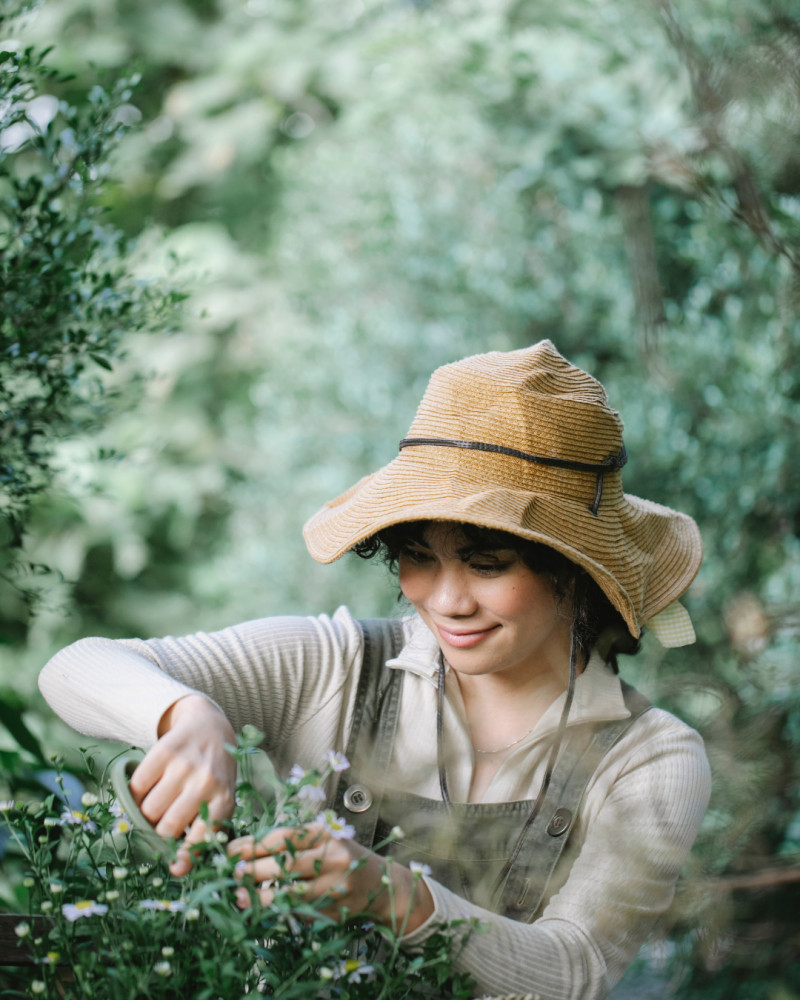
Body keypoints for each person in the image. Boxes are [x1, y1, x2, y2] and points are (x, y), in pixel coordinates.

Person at [38, 341, 711, 1000]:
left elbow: (576, 970)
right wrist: (188, 715)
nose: (446, 601)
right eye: (419, 557)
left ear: (576, 568)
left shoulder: (650, 757)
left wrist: (392, 895)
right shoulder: (334, 665)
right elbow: (75, 667)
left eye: (487, 564)